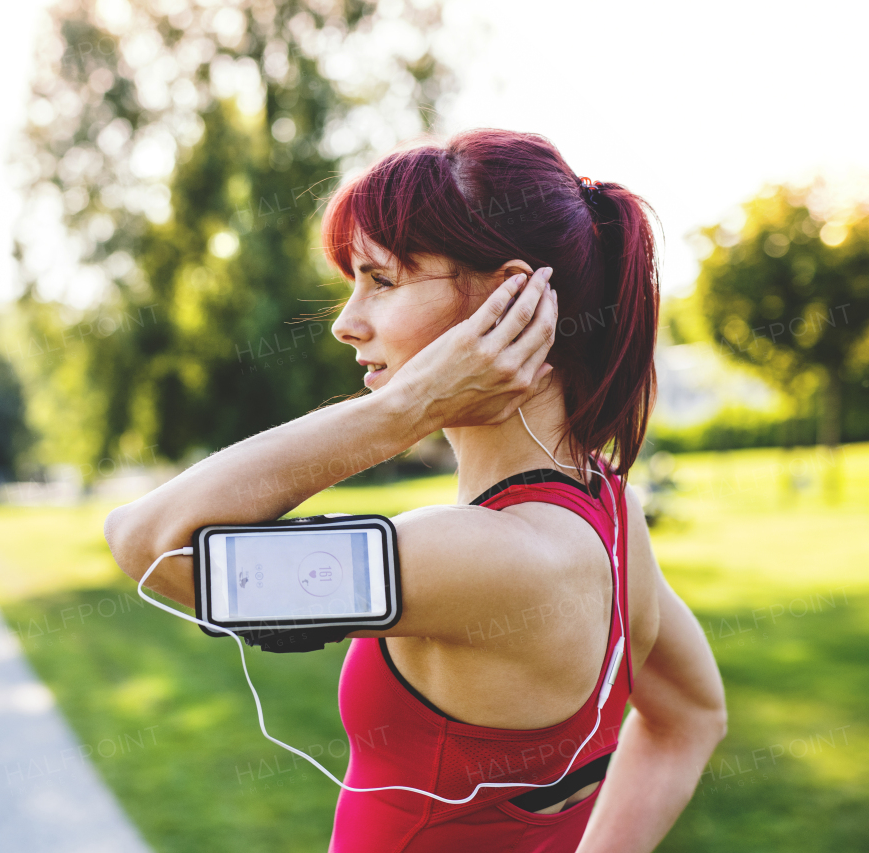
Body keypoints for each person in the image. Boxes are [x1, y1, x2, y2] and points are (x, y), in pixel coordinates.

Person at [104, 129, 726, 852]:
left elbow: (147, 542)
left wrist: (400, 412)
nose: (346, 322)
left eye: (382, 280)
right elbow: (690, 713)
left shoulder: (477, 556)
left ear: (510, 296)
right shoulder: (611, 511)